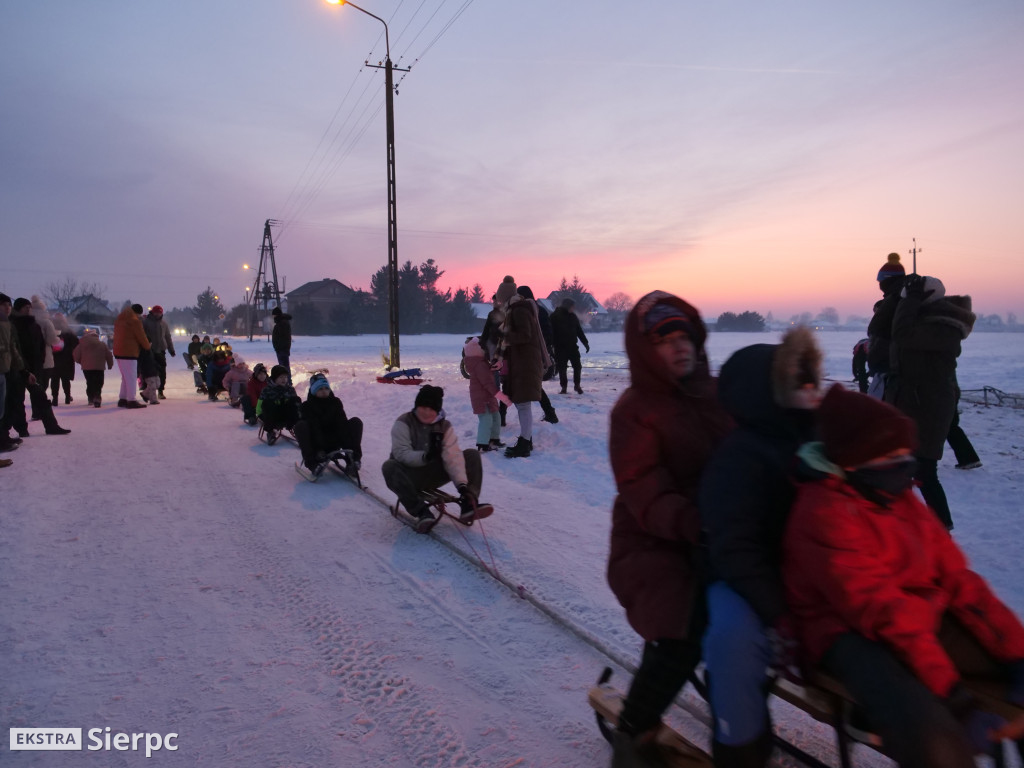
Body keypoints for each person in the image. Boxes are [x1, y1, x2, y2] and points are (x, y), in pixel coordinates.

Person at [784, 385, 1024, 767]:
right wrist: (956, 702)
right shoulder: (824, 512)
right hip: (848, 632)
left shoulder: (896, 494)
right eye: (890, 455)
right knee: (937, 740)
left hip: (916, 617)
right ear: (851, 462)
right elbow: (882, 610)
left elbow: (957, 577)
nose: (904, 464)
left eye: (904, 453)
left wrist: (1015, 653)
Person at [605, 292, 733, 766]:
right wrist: (695, 524)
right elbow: (644, 491)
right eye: (665, 340)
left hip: (722, 534)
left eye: (686, 338)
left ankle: (739, 727)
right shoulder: (635, 409)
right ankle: (634, 730)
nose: (680, 348)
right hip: (653, 542)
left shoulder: (719, 396)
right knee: (685, 623)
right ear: (645, 351)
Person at [699, 326, 823, 766]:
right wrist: (776, 612)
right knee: (733, 641)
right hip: (745, 581)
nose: (809, 389)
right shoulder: (739, 456)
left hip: (809, 576)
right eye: (797, 380)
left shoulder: (817, 440)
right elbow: (735, 548)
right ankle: (740, 746)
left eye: (811, 379)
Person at [886, 275, 975, 530]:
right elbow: (881, 329)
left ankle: (941, 529)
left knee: (925, 470)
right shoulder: (923, 318)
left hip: (930, 406)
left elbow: (901, 335)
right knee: (899, 466)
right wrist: (896, 297)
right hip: (910, 401)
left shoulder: (945, 327)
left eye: (911, 295)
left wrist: (909, 300)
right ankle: (899, 524)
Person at [382, 385, 491, 532]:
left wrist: (462, 485)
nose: (427, 412)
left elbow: (453, 456)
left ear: (437, 410)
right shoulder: (404, 422)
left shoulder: (444, 426)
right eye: (423, 407)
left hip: (433, 474)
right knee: (389, 466)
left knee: (471, 455)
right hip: (409, 477)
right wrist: (425, 456)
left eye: (432, 409)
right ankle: (421, 512)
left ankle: (468, 503)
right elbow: (401, 453)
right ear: (416, 406)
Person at [493, 291, 551, 458]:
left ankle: (525, 444)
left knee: (523, 404)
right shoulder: (517, 309)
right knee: (522, 404)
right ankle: (527, 440)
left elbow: (525, 335)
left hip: (525, 364)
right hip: (523, 363)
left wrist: (504, 336)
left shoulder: (519, 310)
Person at [8, 297, 71, 434]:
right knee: (18, 400)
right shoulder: (12, 325)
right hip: (17, 367)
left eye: (30, 307)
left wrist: (40, 360)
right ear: (19, 309)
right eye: (26, 307)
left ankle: (51, 426)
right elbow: (14, 348)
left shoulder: (34, 324)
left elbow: (41, 345)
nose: (29, 310)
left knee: (41, 396)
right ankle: (22, 430)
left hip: (35, 367)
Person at [293, 373, 364, 480]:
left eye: (326, 388)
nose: (324, 391)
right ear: (313, 390)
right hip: (317, 443)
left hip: (335, 438)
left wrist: (347, 445)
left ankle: (353, 461)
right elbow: (314, 427)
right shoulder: (307, 406)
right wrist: (319, 450)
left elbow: (342, 423)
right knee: (300, 426)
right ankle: (312, 464)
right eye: (320, 389)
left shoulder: (335, 402)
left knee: (356, 422)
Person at [866, 252, 906, 399]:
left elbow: (877, 331)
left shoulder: (893, 301)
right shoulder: (899, 298)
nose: (879, 285)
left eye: (880, 280)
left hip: (890, 371)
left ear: (887, 280)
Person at [517, 286, 558, 424]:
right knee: (531, 384)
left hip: (532, 353)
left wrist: (539, 348)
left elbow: (546, 333)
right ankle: (550, 413)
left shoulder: (532, 311)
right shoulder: (539, 310)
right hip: (534, 352)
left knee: (529, 384)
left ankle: (550, 413)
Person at [463, 335, 512, 451]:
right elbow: (487, 383)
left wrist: (494, 368)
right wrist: (501, 396)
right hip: (481, 397)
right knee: (486, 419)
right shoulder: (479, 364)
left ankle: (494, 439)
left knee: (496, 416)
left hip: (488, 396)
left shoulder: (482, 362)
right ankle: (482, 443)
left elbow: (487, 373)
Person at [0, 292, 30, 453]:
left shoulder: (8, 323)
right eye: (3, 304)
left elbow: (13, 348)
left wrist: (22, 369)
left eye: (9, 304)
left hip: (7, 369)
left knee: (5, 406)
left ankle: (3, 436)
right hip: (5, 369)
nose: (7, 308)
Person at [112, 303, 151, 409]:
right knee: (132, 377)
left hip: (118, 352)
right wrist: (147, 346)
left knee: (125, 377)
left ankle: (123, 398)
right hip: (129, 352)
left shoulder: (120, 319)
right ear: (137, 313)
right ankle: (131, 400)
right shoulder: (134, 321)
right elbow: (141, 336)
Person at [550, 298, 590, 394]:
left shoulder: (573, 316)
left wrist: (585, 343)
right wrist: (550, 345)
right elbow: (550, 332)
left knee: (577, 366)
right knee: (562, 368)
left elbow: (579, 331)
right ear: (567, 306)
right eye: (572, 306)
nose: (573, 308)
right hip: (560, 347)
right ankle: (564, 387)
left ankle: (577, 385)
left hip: (572, 346)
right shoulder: (554, 316)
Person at [256, 364, 301, 444]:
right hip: (272, 415)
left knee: (295, 400)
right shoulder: (267, 390)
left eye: (285, 377)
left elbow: (294, 406)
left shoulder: (290, 389)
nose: (284, 379)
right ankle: (270, 432)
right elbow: (260, 406)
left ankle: (297, 428)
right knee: (268, 403)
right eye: (281, 377)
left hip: (286, 414)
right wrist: (261, 415)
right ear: (274, 378)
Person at [30, 296, 60, 411]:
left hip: (31, 358)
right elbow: (51, 340)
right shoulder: (46, 322)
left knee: (34, 385)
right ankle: (41, 409)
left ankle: (35, 410)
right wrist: (57, 337)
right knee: (43, 385)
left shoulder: (28, 320)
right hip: (46, 357)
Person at [73, 328, 113, 407]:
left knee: (90, 382)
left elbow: (76, 355)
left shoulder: (81, 344)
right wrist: (110, 364)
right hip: (99, 367)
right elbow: (109, 355)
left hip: (87, 367)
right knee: (98, 382)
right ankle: (97, 396)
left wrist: (80, 362)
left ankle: (90, 398)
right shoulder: (102, 344)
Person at [142, 305, 176, 399]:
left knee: (162, 371)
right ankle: (147, 389)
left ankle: (161, 390)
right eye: (156, 312)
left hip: (161, 350)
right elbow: (142, 335)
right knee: (149, 371)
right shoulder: (146, 322)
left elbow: (168, 337)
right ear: (152, 312)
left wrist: (171, 349)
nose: (158, 314)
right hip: (149, 350)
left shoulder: (163, 323)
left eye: (159, 312)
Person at [947, 386, 981, 470]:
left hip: (942, 398)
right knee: (951, 428)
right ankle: (969, 459)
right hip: (949, 396)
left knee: (951, 428)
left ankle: (969, 459)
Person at [50, 312, 79, 405]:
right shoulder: (68, 330)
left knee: (55, 380)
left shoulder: (51, 329)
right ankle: (67, 397)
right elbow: (76, 343)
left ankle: (55, 398)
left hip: (54, 359)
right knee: (65, 379)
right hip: (66, 359)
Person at [271, 306, 292, 378]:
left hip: (282, 349)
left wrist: (279, 347)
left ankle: (287, 382)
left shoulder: (282, 323)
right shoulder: (282, 322)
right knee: (284, 367)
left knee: (284, 367)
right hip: (281, 349)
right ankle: (286, 382)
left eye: (274, 315)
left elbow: (283, 337)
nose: (273, 317)